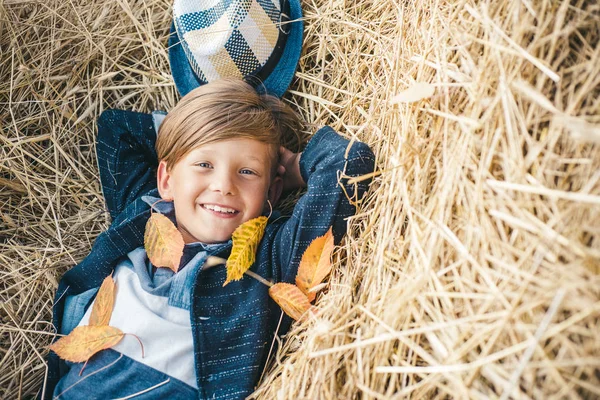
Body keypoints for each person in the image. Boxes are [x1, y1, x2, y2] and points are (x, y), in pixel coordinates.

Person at [43, 1, 375, 399]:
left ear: (272, 191)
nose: (224, 185)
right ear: (166, 178)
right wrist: (204, 120)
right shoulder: (143, 212)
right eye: (203, 165)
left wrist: (296, 168)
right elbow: (116, 129)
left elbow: (352, 162)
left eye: (247, 172)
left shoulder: (268, 259)